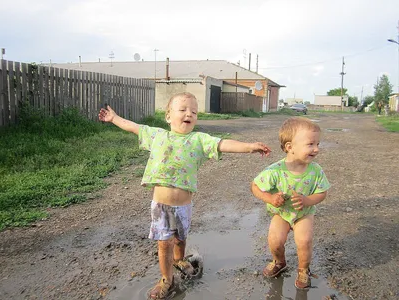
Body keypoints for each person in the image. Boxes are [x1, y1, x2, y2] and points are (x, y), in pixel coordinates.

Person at [98, 92, 271, 299]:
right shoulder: (157, 136)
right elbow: (134, 127)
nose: (189, 114)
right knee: (164, 243)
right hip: (161, 206)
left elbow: (222, 144)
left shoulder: (199, 140)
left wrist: (249, 147)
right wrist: (114, 118)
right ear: (168, 116)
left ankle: (179, 259)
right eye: (182, 110)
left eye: (194, 112)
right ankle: (166, 279)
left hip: (184, 206)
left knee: (180, 238)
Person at [250, 117, 330, 290]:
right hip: (282, 213)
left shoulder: (315, 171)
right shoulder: (275, 170)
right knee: (275, 239)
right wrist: (270, 199)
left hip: (304, 213)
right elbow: (255, 186)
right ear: (289, 147)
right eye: (310, 144)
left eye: (318, 144)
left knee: (304, 240)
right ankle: (279, 262)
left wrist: (307, 200)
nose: (316, 149)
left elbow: (322, 192)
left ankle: (303, 269)